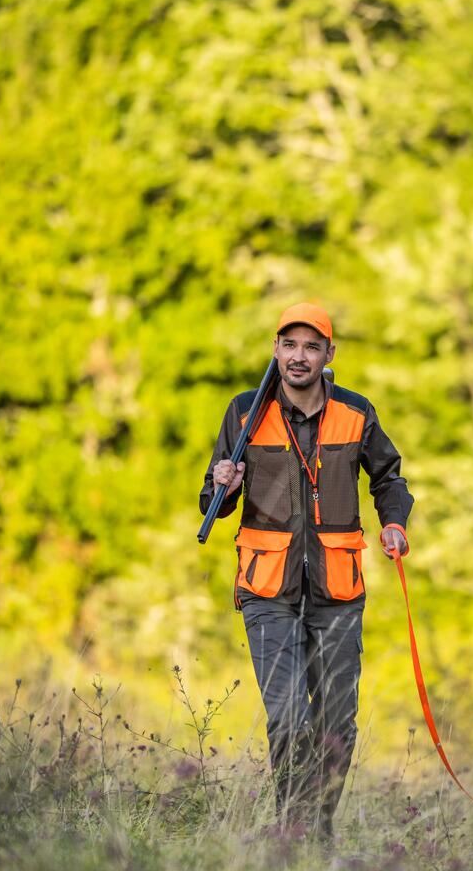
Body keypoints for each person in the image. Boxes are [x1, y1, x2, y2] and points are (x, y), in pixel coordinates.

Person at [199, 302, 412, 838]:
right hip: (266, 589)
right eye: (289, 345)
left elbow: (389, 477)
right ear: (276, 349)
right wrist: (223, 480)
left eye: (311, 346)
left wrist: (394, 523)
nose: (299, 356)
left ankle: (317, 824)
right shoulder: (245, 411)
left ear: (328, 355)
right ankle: (294, 833)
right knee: (291, 718)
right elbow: (213, 500)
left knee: (336, 724)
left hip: (337, 591)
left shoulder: (356, 412)